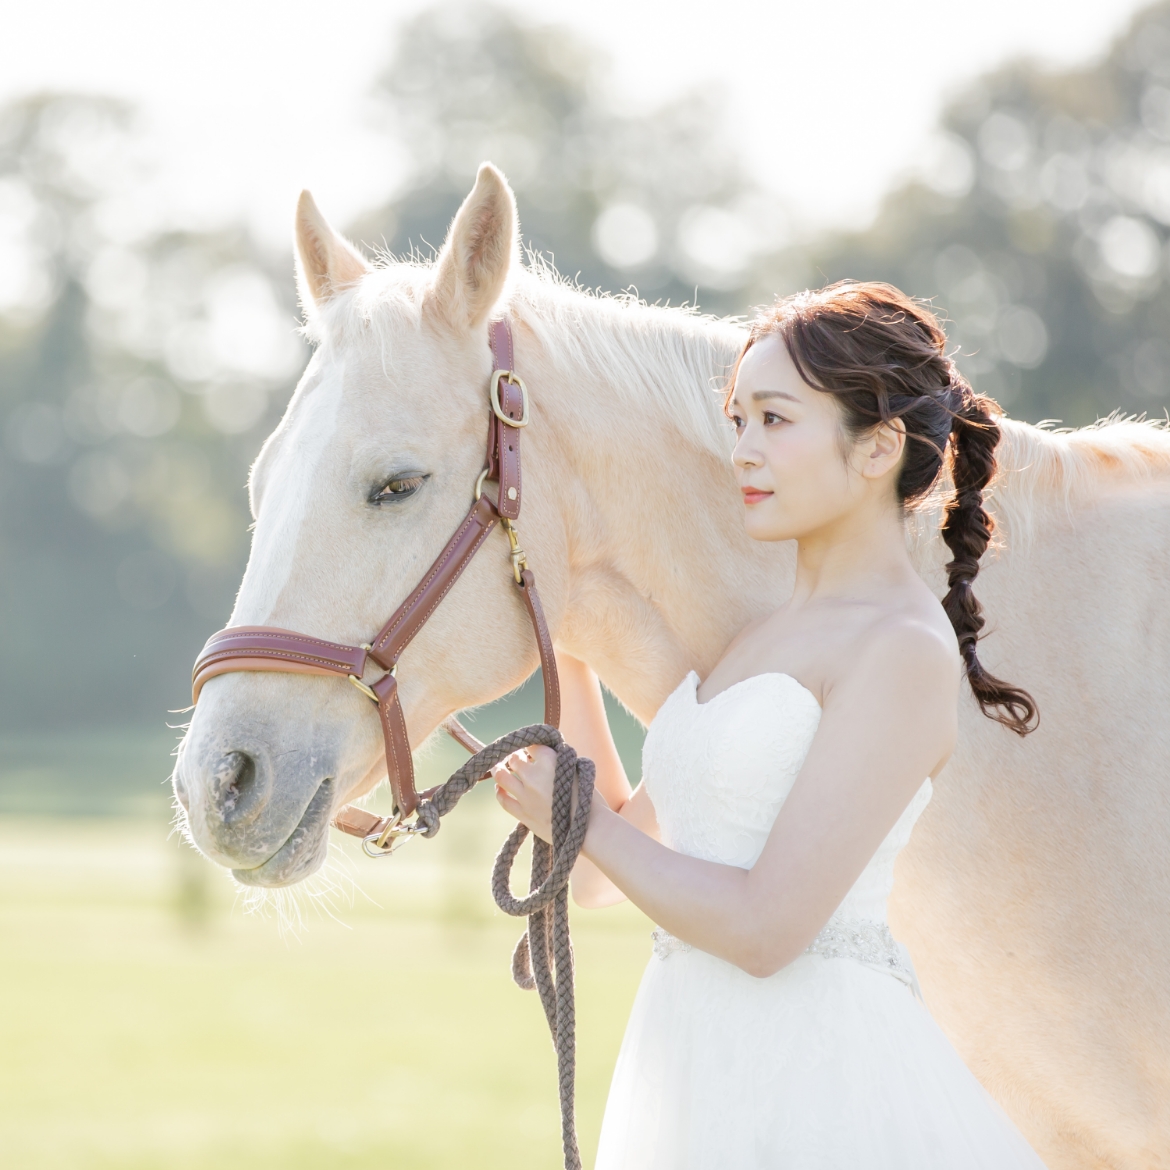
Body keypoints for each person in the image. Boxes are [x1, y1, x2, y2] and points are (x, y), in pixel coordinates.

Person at [493, 281, 1047, 1168]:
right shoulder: (756, 638)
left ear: (877, 447)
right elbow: (609, 877)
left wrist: (587, 824)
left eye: (775, 420)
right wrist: (573, 659)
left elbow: (765, 927)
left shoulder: (900, 649)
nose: (743, 452)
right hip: (702, 1069)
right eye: (739, 419)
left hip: (821, 1084)